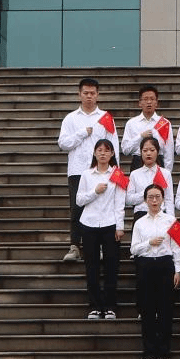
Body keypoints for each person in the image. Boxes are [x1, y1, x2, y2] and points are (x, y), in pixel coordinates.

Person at [58, 77, 118, 262]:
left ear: (98, 95)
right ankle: (75, 246)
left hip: (101, 170)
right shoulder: (71, 118)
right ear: (79, 94)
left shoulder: (105, 117)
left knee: (100, 206)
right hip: (77, 170)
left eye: (92, 93)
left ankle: (97, 246)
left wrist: (115, 170)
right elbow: (63, 143)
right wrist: (82, 133)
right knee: (77, 208)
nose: (89, 96)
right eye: (86, 93)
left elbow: (114, 144)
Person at [130, 184, 180, 359]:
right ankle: (149, 354)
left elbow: (177, 246)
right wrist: (148, 243)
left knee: (166, 311)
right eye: (150, 197)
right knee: (147, 311)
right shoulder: (139, 223)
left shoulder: (171, 220)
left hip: (165, 265)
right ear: (145, 200)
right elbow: (133, 249)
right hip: (145, 266)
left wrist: (178, 270)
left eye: (157, 197)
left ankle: (164, 354)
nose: (154, 200)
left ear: (162, 199)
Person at [75, 138, 124, 320]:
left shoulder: (117, 174)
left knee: (111, 266)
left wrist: (120, 226)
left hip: (110, 224)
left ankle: (110, 306)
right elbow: (79, 200)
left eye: (106, 150)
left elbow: (120, 202)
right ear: (95, 153)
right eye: (100, 150)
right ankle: (94, 306)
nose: (103, 153)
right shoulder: (87, 174)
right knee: (92, 266)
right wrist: (95, 191)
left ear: (112, 153)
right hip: (89, 223)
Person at [121, 84, 174, 171]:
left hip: (158, 162)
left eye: (152, 99)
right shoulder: (131, 123)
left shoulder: (164, 123)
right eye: (145, 99)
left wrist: (167, 172)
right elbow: (125, 149)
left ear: (156, 103)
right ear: (139, 103)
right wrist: (140, 137)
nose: (149, 102)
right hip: (138, 162)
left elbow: (169, 151)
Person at [126, 137, 174, 223]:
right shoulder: (134, 174)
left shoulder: (165, 173)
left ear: (157, 152)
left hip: (160, 215)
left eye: (152, 150)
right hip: (141, 214)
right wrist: (147, 193)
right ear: (141, 152)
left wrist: (171, 220)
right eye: (145, 150)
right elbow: (129, 200)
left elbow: (169, 199)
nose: (148, 153)